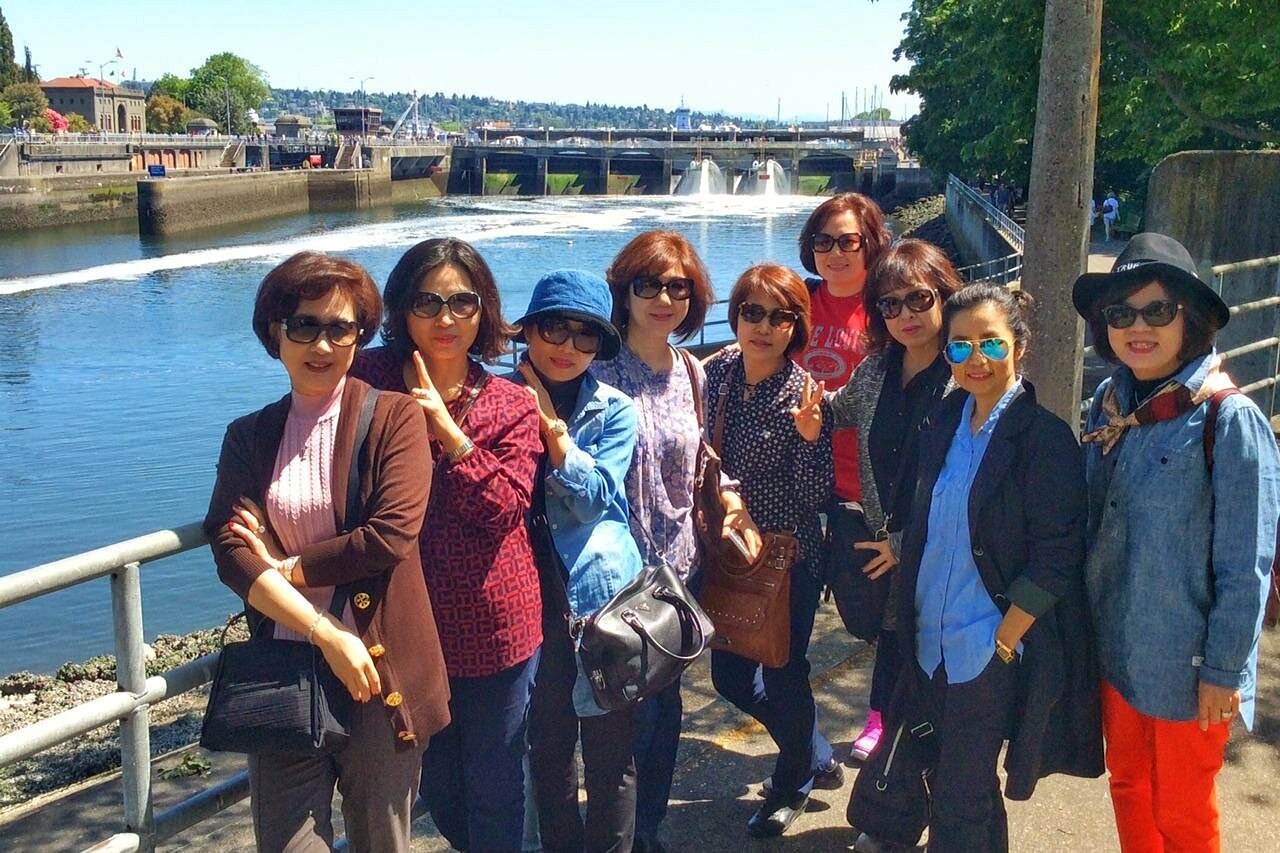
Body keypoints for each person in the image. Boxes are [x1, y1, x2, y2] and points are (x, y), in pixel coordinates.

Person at [204, 251, 451, 852]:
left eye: (340, 328)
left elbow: (390, 534)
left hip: (381, 676)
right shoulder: (250, 435)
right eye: (304, 326)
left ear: (359, 337)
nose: (322, 344)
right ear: (275, 333)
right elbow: (231, 550)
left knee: (380, 841)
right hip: (286, 672)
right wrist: (325, 632)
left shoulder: (395, 417)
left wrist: (285, 566)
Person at [848, 283, 1103, 852]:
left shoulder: (1044, 439)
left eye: (991, 342)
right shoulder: (943, 421)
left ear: (1019, 345)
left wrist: (1006, 638)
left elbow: (1058, 552)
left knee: (961, 792)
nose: (976, 358)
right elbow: (928, 517)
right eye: (960, 346)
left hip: (985, 646)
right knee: (944, 769)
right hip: (926, 637)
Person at [1073, 232, 1280, 852]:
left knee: (1183, 809)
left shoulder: (1228, 419)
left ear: (1190, 319)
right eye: (1121, 313)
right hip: (1116, 647)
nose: (1138, 327)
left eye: (1157, 310)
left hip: (1189, 665)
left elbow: (1247, 566)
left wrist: (1223, 672)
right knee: (1128, 785)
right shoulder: (1110, 402)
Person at [348, 238, 543, 852]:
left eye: (462, 302)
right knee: (438, 787)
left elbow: (504, 509)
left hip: (492, 627)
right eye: (428, 302)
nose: (445, 318)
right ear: (402, 309)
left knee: (494, 782)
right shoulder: (368, 380)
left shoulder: (511, 403)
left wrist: (445, 428)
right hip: (405, 624)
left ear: (484, 310)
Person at [592, 230, 759, 853]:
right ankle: (623, 833)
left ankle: (649, 829)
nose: (664, 299)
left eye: (678, 287)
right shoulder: (595, 368)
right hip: (617, 578)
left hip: (679, 575)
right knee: (624, 717)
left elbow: (701, 459)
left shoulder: (692, 371)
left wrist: (732, 502)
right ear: (624, 291)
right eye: (649, 285)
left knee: (665, 713)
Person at [703, 263, 835, 838]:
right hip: (730, 553)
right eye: (751, 312)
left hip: (787, 559)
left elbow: (814, 496)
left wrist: (808, 438)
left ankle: (792, 780)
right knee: (730, 677)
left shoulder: (803, 392)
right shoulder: (718, 372)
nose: (762, 327)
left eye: (778, 317)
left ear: (795, 326)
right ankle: (811, 748)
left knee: (783, 671)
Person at [516, 269, 645, 853]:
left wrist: (555, 434)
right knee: (548, 752)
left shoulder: (616, 410)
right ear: (528, 331)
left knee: (611, 756)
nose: (567, 347)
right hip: (528, 606)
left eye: (585, 335)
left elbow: (594, 499)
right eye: (554, 329)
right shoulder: (495, 401)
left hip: (602, 604)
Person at [825, 239, 961, 764]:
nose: (906, 314)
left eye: (919, 298)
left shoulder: (964, 376)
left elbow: (973, 481)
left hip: (942, 549)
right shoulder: (876, 369)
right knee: (891, 637)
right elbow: (834, 412)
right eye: (890, 303)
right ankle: (884, 734)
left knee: (930, 653)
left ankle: (920, 762)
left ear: (944, 297)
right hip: (887, 538)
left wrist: (905, 544)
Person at [795, 192, 892, 763]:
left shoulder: (887, 307)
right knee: (796, 611)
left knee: (874, 614)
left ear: (870, 244)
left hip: (865, 487)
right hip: (804, 482)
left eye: (847, 241)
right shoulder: (798, 303)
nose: (834, 252)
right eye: (823, 240)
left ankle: (880, 717)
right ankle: (801, 739)